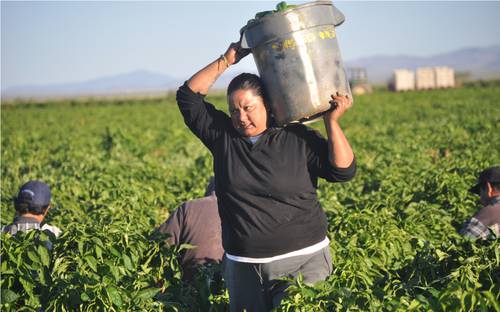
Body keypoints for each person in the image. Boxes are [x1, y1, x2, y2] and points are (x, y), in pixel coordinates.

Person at [176, 41, 356, 311]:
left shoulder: (296, 138)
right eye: (234, 110)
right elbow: (188, 97)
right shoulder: (224, 138)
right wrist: (227, 59)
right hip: (245, 270)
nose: (241, 117)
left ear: (268, 106)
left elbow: (342, 171)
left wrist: (332, 123)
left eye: (249, 107)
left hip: (304, 263)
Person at [157, 178, 223, 281]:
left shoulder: (188, 207)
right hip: (231, 292)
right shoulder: (248, 216)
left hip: (188, 289)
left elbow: (160, 246)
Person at [459, 166, 500, 239]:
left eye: (480, 192)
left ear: (488, 188)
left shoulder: (489, 212)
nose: (480, 198)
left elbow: (462, 242)